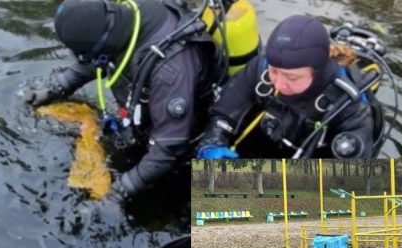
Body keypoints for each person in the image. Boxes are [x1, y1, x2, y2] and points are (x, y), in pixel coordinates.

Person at [22, 0, 241, 205]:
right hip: (173, 126)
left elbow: (168, 149)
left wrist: (118, 193)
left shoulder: (169, 71)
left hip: (185, 145)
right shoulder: (125, 16)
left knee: (182, 221)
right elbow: (97, 56)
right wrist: (55, 88)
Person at [197, 15, 385, 159]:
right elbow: (225, 111)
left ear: (317, 70)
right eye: (275, 71)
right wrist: (212, 143)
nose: (278, 84)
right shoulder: (262, 68)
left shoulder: (350, 108)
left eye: (292, 77)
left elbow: (348, 182)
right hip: (269, 142)